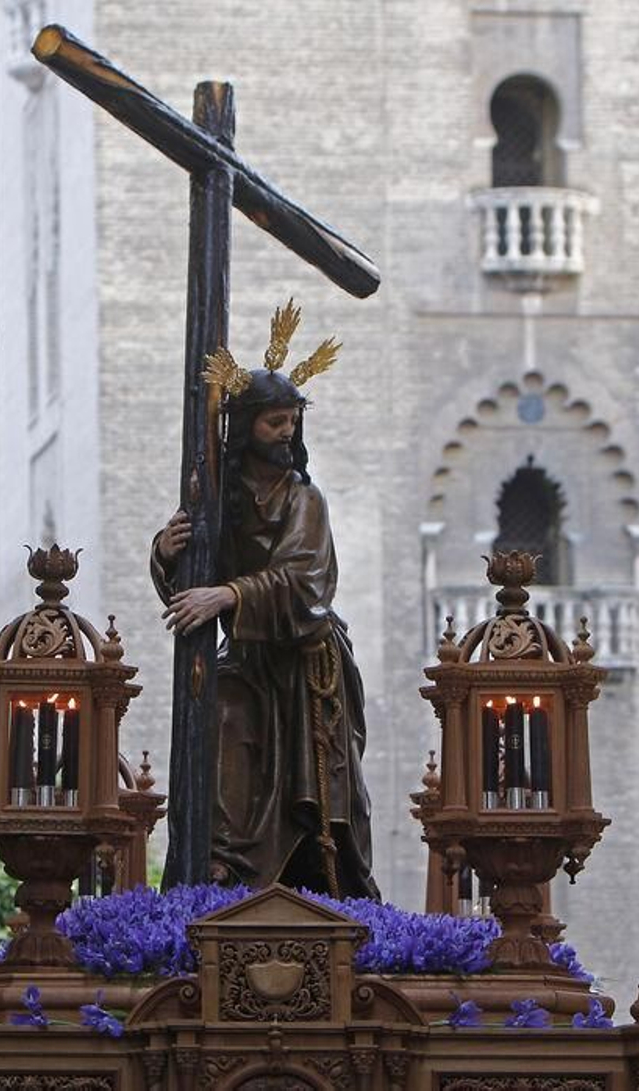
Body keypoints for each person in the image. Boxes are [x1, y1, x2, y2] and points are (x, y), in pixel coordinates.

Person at [152, 303, 379, 899]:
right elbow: (191, 591)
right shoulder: (217, 495)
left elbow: (305, 580)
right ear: (246, 425)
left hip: (305, 664)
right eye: (274, 422)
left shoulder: (305, 497)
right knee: (221, 715)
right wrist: (169, 551)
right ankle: (223, 864)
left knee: (319, 792)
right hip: (250, 661)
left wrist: (226, 594)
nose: (286, 433)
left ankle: (314, 878)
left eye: (291, 422)